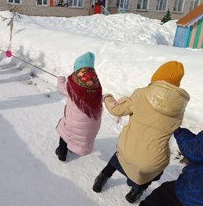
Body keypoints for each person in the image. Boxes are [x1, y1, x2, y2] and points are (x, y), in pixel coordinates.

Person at [92, 61, 190, 203]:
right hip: (153, 161)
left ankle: (102, 177)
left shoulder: (141, 94)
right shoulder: (179, 108)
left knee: (120, 155)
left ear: (157, 77)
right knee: (152, 170)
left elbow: (115, 109)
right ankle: (136, 192)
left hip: (127, 150)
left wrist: (107, 97)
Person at [55, 52, 103, 161]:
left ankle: (61, 153)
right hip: (92, 123)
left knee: (65, 129)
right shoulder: (95, 83)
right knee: (76, 132)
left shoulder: (72, 83)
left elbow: (60, 89)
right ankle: (72, 147)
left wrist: (61, 79)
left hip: (76, 123)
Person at [139, 128, 203, 206]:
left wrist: (178, 131)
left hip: (191, 193)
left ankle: (137, 187)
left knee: (159, 198)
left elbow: (192, 150)